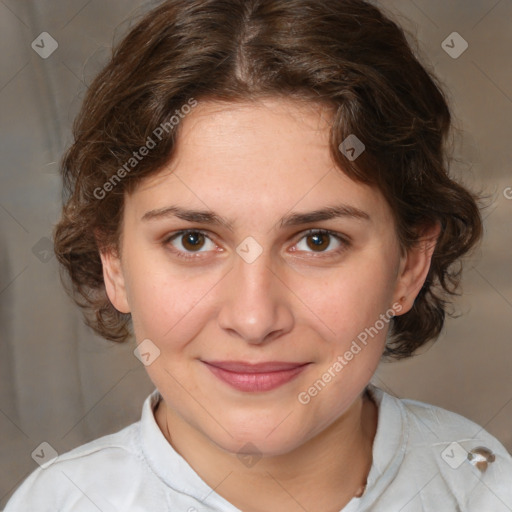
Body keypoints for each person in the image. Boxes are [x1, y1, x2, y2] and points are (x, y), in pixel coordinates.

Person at [5, 0, 512, 510]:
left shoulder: (484, 486)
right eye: (192, 240)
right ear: (113, 262)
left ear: (409, 265)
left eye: (318, 240)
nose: (253, 319)